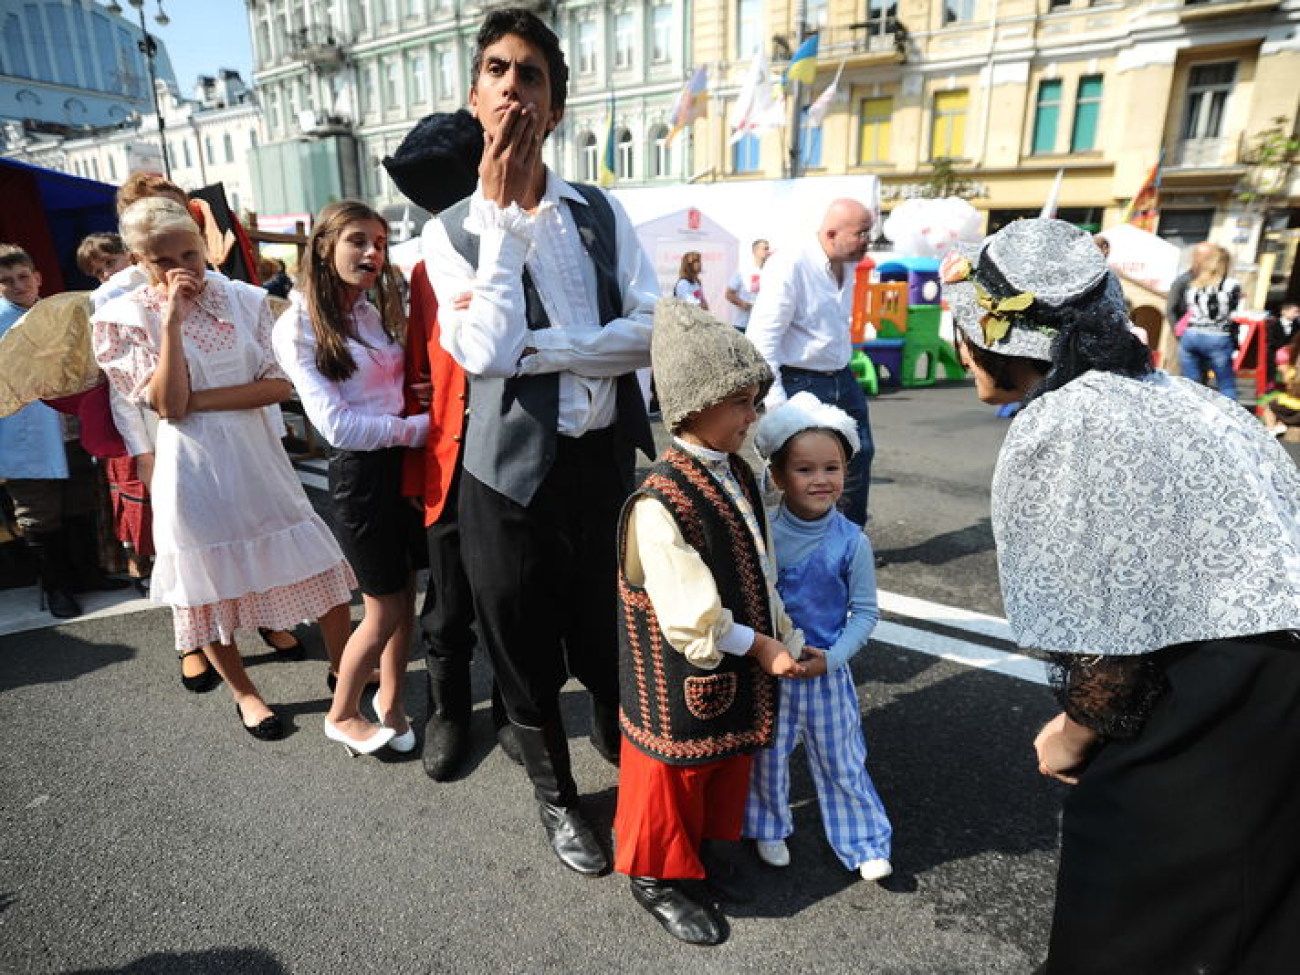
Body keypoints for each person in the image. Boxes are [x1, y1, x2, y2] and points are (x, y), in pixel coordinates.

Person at [940, 217, 1300, 974]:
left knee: (1131, 934)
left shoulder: (1065, 423)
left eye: (965, 332)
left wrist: (1069, 734)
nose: (960, 349)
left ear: (997, 340)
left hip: (1199, 712)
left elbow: (1112, 652)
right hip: (1279, 701)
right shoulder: (1190, 399)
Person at [422, 8, 658, 876]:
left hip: (603, 462)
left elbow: (651, 331)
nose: (513, 87)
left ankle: (617, 729)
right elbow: (483, 353)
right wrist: (501, 223)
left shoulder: (599, 208)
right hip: (508, 476)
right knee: (518, 642)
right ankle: (556, 798)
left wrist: (548, 349)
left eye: (532, 75)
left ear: (554, 106)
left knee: (608, 624)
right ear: (476, 95)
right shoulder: (445, 230)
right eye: (497, 71)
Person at [92, 198, 356, 741]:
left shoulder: (244, 299)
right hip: (191, 475)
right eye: (164, 261)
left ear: (204, 244)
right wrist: (168, 324)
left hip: (259, 460)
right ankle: (246, 694)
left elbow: (278, 385)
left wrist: (195, 400)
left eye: (190, 252)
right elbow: (165, 403)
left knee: (320, 568)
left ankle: (344, 669)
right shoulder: (122, 319)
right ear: (141, 261)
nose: (182, 267)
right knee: (206, 592)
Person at [613, 298, 810, 946]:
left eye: (756, 400)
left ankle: (707, 852)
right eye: (744, 402)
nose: (755, 415)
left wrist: (781, 630)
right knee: (673, 777)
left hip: (735, 663)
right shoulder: (658, 501)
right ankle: (658, 876)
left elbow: (760, 562)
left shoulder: (741, 473)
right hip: (683, 674)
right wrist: (759, 647)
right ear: (695, 403)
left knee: (727, 763)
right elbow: (688, 616)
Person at [383, 107, 518, 779]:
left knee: (515, 592)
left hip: (514, 443)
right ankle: (449, 709)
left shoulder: (521, 239)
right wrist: (418, 466)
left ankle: (513, 708)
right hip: (448, 453)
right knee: (449, 599)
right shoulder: (421, 270)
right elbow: (418, 375)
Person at [274, 200, 429, 757]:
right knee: (383, 605)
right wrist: (422, 428)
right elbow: (338, 426)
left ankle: (391, 701)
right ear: (323, 246)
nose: (372, 253)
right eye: (358, 241)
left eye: (380, 244)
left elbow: (387, 387)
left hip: (402, 465)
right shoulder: (296, 324)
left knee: (406, 592)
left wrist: (419, 404)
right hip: (362, 475)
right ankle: (341, 713)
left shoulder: (368, 310)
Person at [743, 391, 893, 883]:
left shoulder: (853, 540)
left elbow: (865, 613)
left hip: (828, 675)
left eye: (832, 467)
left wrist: (833, 659)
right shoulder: (762, 534)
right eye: (805, 469)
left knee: (844, 762)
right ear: (778, 477)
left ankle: (864, 841)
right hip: (773, 671)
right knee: (768, 759)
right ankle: (768, 826)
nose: (821, 479)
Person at [0, 244, 126, 618]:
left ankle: (88, 573)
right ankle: (57, 586)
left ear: (38, 277)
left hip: (70, 427)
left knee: (79, 502)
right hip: (25, 435)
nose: (18, 285)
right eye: (7, 281)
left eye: (24, 276)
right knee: (39, 513)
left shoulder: (60, 312)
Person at [747, 198, 876, 526]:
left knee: (858, 456)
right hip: (799, 380)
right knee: (803, 470)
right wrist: (777, 408)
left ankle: (849, 538)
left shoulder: (846, 265)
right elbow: (763, 339)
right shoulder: (790, 264)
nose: (867, 241)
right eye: (861, 233)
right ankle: (800, 543)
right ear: (832, 233)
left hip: (841, 377)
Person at [1167, 241, 1242, 401]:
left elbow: (1187, 308)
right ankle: (1232, 420)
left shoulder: (1194, 285)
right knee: (1226, 384)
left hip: (1191, 335)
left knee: (1191, 385)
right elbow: (1232, 308)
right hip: (1217, 336)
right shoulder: (1232, 285)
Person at [724, 238, 770, 332]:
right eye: (765, 249)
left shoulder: (771, 272)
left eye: (768, 249)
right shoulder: (743, 271)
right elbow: (729, 294)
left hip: (763, 324)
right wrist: (744, 304)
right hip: (743, 324)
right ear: (755, 251)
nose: (768, 251)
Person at [1267, 301, 1298, 389]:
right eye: (1294, 312)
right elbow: (1270, 340)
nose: (1296, 315)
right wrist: (1283, 348)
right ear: (1284, 312)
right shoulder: (1273, 325)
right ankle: (1272, 384)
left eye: (1298, 312)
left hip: (1291, 356)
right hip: (1274, 355)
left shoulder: (1297, 326)